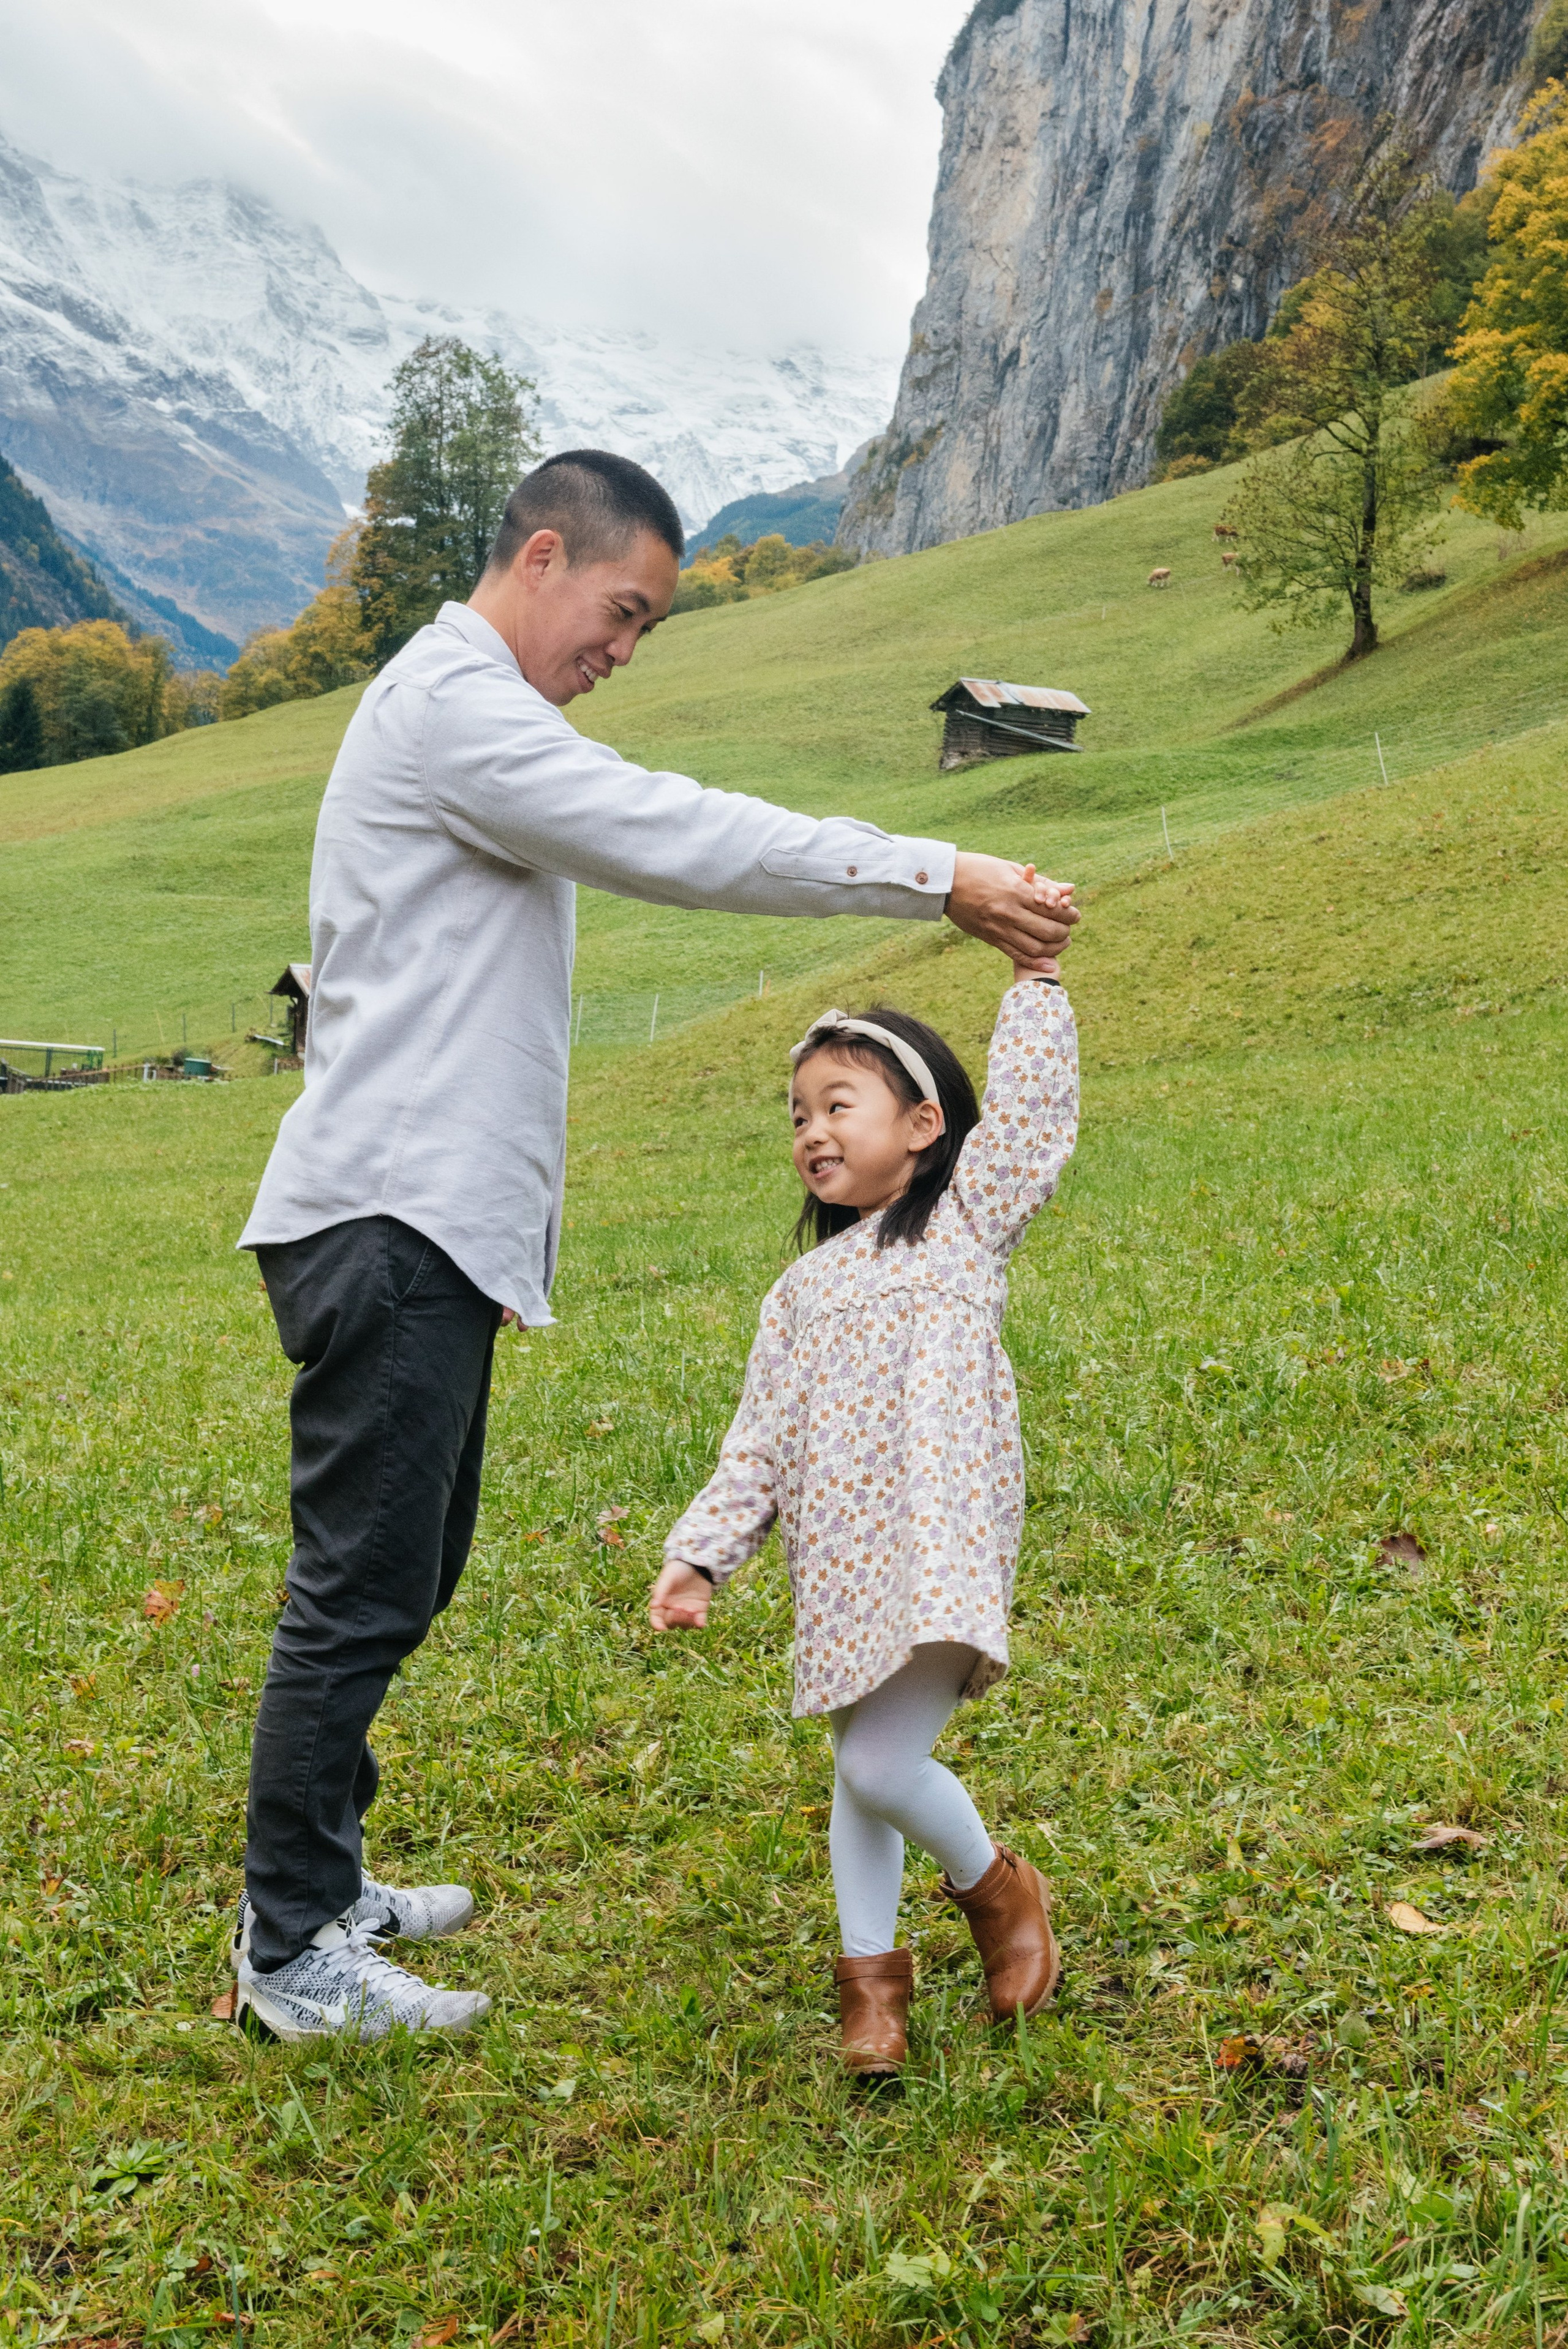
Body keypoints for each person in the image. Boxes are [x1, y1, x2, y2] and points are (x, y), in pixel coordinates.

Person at [230, 447, 1080, 2042]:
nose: (622, 650)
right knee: (356, 1592)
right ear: (541, 554)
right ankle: (290, 1945)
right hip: (389, 1216)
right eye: (621, 611)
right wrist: (934, 873)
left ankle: (324, 1879)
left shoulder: (474, 717)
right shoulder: (455, 707)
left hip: (427, 1227)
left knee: (400, 1578)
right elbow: (678, 833)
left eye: (647, 631)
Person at [649, 891, 1079, 2075]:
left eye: (840, 1105)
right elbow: (761, 1441)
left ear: (926, 1124)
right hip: (838, 1558)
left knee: (879, 1766)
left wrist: (1033, 985)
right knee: (858, 1769)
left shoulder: (963, 1230)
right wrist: (703, 1552)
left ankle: (1000, 1892)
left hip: (942, 1539)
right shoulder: (799, 1295)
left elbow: (1033, 1119)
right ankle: (870, 1990)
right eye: (799, 1116)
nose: (812, 1132)